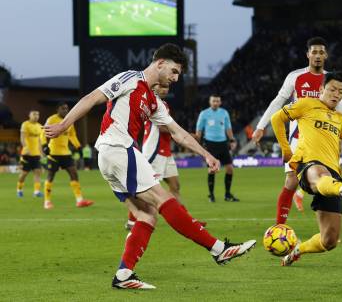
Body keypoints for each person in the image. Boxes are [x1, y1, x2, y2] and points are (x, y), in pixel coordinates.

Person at [43, 43, 256, 290]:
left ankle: (123, 275)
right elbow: (92, 98)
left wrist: (206, 154)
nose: (175, 78)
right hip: (118, 148)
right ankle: (218, 249)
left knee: (146, 214)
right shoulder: (130, 79)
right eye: (174, 71)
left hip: (112, 156)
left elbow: (178, 133)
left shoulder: (153, 102)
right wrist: (64, 125)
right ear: (160, 63)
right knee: (163, 198)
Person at [252, 37, 342, 221]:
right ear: (307, 55)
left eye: (321, 52)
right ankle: (279, 227)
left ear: (326, 55)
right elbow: (278, 102)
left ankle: (327, 227)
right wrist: (260, 126)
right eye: (314, 52)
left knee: (325, 178)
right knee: (291, 180)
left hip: (324, 139)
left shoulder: (331, 80)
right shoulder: (295, 77)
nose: (318, 56)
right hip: (298, 137)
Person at [270, 72, 342, 266]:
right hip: (308, 165)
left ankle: (297, 250)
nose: (336, 94)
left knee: (329, 240)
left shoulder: (339, 118)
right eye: (332, 89)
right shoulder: (305, 103)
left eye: (341, 91)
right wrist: (286, 149)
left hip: (332, 176)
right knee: (319, 172)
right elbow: (276, 119)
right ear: (321, 89)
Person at [125, 84, 206, 230]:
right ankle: (132, 219)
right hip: (154, 152)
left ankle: (187, 220)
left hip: (166, 152)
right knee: (147, 188)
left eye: (167, 87)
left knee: (175, 186)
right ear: (154, 88)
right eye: (162, 87)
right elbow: (162, 127)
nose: (165, 90)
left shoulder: (164, 104)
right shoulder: (151, 102)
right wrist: (186, 134)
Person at [41, 102, 94, 210]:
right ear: (58, 109)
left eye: (67, 108)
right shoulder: (51, 119)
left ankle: (79, 200)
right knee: (50, 176)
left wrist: (78, 147)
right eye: (63, 108)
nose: (66, 110)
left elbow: (72, 135)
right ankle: (47, 201)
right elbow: (43, 133)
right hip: (53, 153)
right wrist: (44, 146)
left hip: (66, 153)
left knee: (74, 173)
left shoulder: (69, 120)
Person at [195, 95, 239, 203]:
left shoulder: (224, 113)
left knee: (230, 168)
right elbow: (199, 130)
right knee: (212, 170)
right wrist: (197, 145)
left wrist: (232, 140)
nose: (215, 103)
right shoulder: (204, 114)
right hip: (210, 144)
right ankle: (211, 195)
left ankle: (227, 195)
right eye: (213, 101)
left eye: (217, 101)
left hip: (223, 143)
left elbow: (228, 128)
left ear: (220, 102)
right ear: (210, 102)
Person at [17, 110, 43, 198]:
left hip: (36, 154)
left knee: (37, 172)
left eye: (37, 114)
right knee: (24, 173)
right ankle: (19, 190)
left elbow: (40, 141)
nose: (36, 116)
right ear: (29, 115)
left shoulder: (40, 126)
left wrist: (41, 152)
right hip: (27, 154)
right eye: (34, 114)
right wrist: (25, 147)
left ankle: (37, 192)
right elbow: (22, 138)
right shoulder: (25, 124)